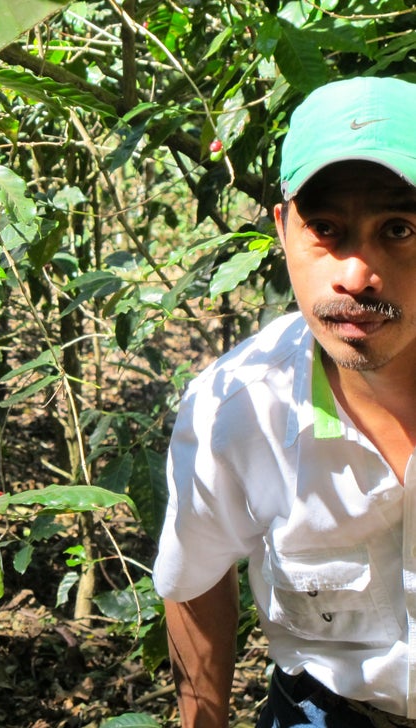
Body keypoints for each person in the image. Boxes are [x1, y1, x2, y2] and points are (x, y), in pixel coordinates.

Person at [153, 75, 416, 728]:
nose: (356, 274)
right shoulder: (237, 410)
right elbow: (197, 577)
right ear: (282, 229)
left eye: (400, 228)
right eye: (326, 228)